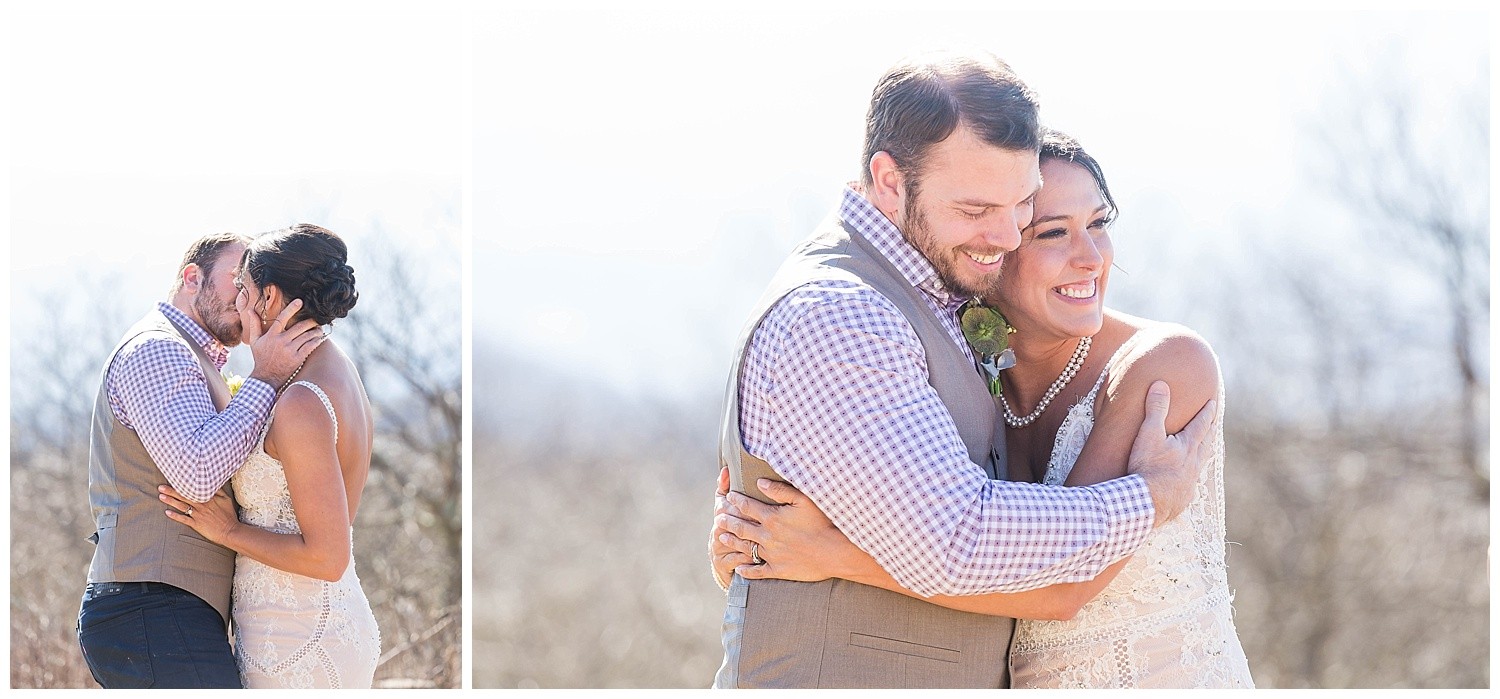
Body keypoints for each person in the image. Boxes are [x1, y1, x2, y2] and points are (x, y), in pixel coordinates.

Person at [708, 51, 1216, 689]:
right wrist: (1147, 498)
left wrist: (831, 553)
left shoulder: (940, 290)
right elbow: (958, 540)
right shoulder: (842, 313)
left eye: (1022, 207)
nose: (1006, 236)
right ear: (890, 181)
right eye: (977, 210)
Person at [79, 232, 325, 688]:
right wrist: (267, 375)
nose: (248, 294)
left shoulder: (196, 358)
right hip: (149, 607)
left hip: (168, 610)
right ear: (193, 277)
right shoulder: (157, 349)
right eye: (237, 279)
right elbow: (197, 474)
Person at [158, 223, 382, 688]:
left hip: (300, 639)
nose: (237, 304)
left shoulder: (302, 401)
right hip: (299, 624)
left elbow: (327, 557)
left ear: (271, 297)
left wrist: (229, 530)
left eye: (243, 290)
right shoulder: (337, 371)